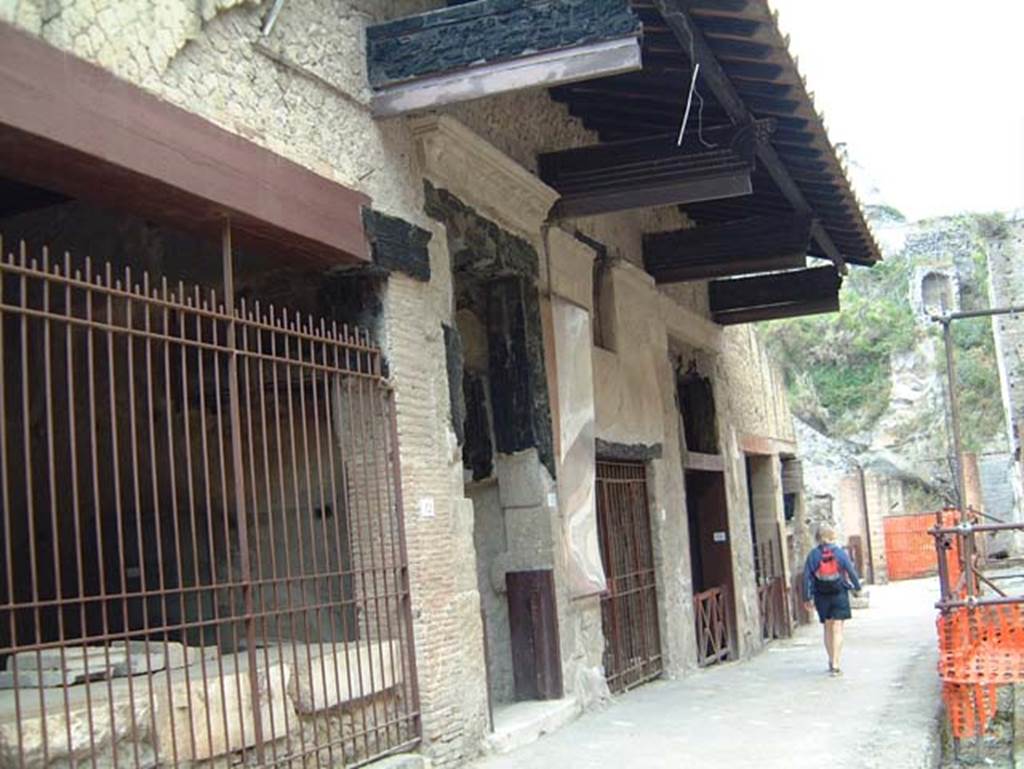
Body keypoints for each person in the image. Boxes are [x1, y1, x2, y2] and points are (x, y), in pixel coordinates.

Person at [803, 525, 861, 676]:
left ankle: (830, 659)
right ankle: (836, 663)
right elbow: (851, 571)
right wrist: (857, 587)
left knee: (828, 627)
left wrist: (807, 597)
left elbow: (807, 577)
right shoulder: (840, 553)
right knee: (838, 627)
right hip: (839, 593)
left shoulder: (813, 555)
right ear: (832, 536)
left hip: (821, 595)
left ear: (817, 538)